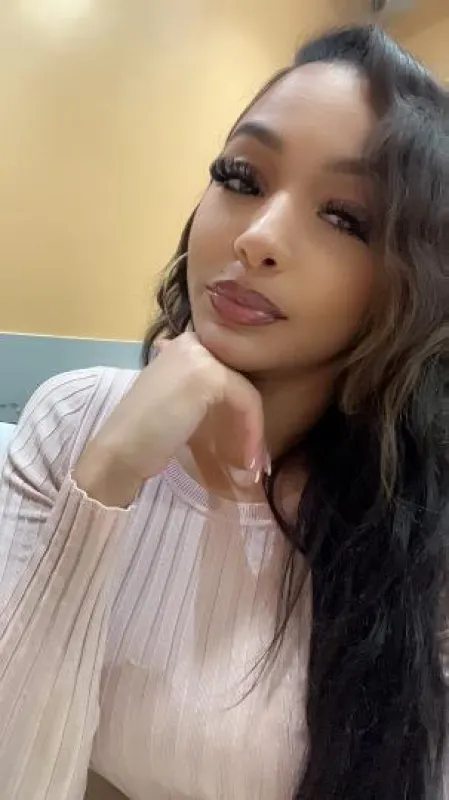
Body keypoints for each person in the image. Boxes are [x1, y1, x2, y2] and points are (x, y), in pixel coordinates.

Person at [0, 22, 448, 800]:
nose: (257, 237)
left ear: (413, 284)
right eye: (241, 177)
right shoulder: (73, 421)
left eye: (344, 218)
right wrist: (106, 477)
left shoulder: (424, 522)